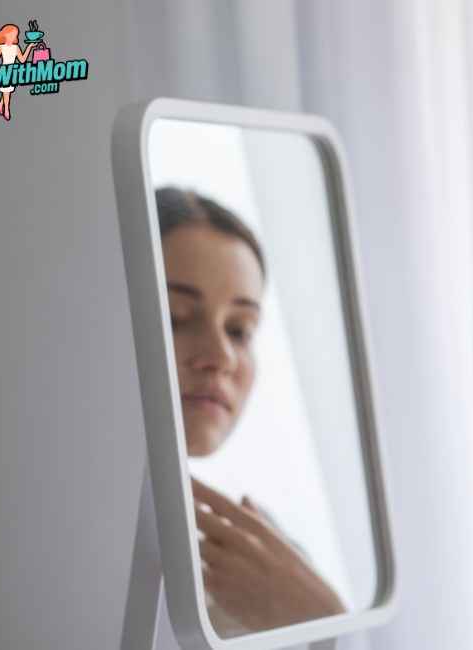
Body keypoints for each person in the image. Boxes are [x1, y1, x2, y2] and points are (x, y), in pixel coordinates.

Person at [155, 186, 347, 638]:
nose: (220, 355)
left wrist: (324, 629)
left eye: (239, 330)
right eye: (176, 316)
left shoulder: (261, 561)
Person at [0, 24, 36, 122]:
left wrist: (29, 47)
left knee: (7, 91)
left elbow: (22, 60)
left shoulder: (16, 47)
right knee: (7, 92)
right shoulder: (0, 47)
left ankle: (1, 104)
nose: (14, 36)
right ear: (5, 34)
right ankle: (6, 109)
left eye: (15, 35)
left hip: (12, 72)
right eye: (12, 34)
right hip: (3, 72)